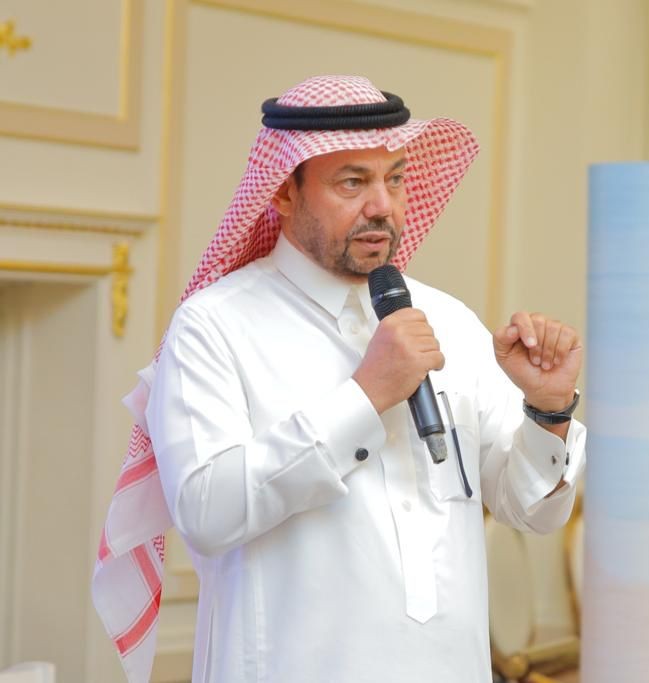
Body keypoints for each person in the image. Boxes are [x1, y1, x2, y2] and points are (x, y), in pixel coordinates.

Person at [91, 75, 585, 683]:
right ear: (283, 192)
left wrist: (548, 411)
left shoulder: (448, 319)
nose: (383, 206)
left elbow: (533, 512)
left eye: (394, 179)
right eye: (352, 182)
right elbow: (205, 512)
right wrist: (367, 395)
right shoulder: (214, 325)